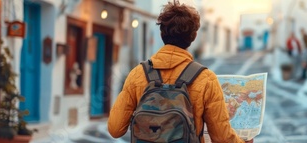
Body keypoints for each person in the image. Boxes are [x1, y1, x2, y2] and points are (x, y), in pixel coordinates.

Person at [107, 1, 251, 143]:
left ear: (162, 34)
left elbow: (115, 129)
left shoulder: (138, 74)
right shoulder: (206, 79)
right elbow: (222, 138)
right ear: (193, 37)